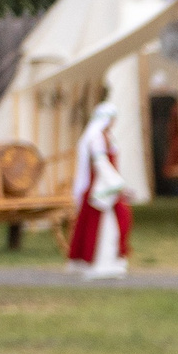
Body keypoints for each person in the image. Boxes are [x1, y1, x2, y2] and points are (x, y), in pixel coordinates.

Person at [65, 101, 131, 281]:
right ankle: (96, 263)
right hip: (100, 188)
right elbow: (100, 163)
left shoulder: (107, 137)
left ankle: (111, 261)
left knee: (117, 223)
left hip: (108, 186)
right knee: (100, 225)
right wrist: (117, 183)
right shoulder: (96, 138)